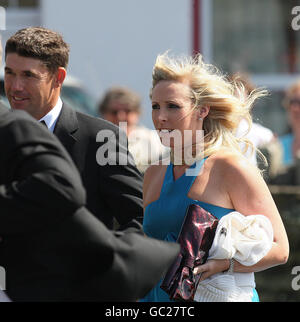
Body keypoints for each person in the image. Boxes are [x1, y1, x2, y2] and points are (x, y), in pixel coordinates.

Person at [141, 52, 289, 302]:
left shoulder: (230, 167)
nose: (160, 117)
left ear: (202, 111)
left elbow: (280, 249)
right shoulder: (153, 173)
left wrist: (225, 265)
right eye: (155, 106)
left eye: (172, 106)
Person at [4, 27, 143, 230]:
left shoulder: (101, 139)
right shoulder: (3, 133)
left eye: (28, 75)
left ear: (58, 78)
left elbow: (139, 218)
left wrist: (103, 255)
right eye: (10, 73)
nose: (16, 86)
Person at [99, 86, 168, 174]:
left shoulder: (155, 141)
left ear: (137, 113)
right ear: (103, 113)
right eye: (114, 112)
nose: (121, 117)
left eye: (127, 111)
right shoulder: (95, 140)